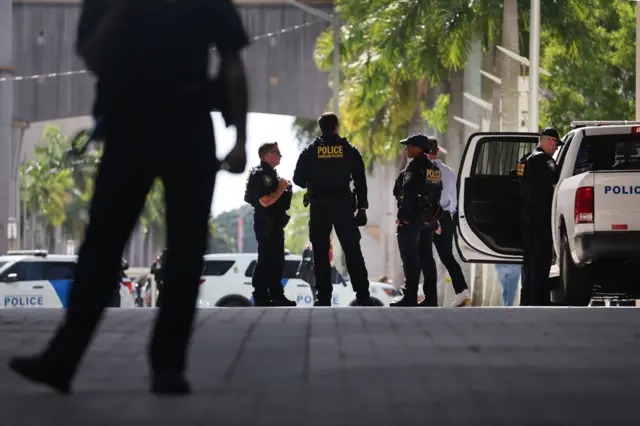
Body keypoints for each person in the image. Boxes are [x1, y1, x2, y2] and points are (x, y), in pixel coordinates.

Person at [8, 0, 250, 395]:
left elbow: (232, 62)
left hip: (185, 122)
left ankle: (167, 367)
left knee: (186, 252)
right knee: (102, 246)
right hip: (130, 124)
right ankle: (63, 360)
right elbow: (93, 56)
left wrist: (241, 138)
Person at [293, 112, 374, 307]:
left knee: (320, 252)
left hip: (319, 206)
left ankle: (323, 297)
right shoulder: (349, 150)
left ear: (321, 128)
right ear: (336, 127)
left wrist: (314, 180)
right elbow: (360, 181)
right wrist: (362, 208)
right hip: (343, 206)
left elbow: (298, 180)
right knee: (352, 250)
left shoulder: (310, 151)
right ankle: (363, 295)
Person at [390, 134, 443, 307]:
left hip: (412, 220)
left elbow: (409, 196)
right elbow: (437, 194)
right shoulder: (433, 168)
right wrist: (433, 218)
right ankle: (431, 298)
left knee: (410, 258)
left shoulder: (413, 168)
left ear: (417, 148)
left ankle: (410, 296)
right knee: (427, 258)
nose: (406, 149)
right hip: (428, 219)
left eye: (409, 146)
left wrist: (401, 218)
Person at [244, 142, 296, 307]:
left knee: (277, 261)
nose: (280, 156)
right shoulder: (260, 174)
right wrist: (281, 188)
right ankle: (260, 295)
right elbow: (265, 201)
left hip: (276, 223)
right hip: (266, 223)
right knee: (266, 259)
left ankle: (276, 294)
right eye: (277, 152)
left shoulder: (272, 175)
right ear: (267, 154)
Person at [422, 137, 471, 307]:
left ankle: (427, 296)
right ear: (437, 151)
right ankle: (462, 291)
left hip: (428, 217)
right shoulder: (449, 172)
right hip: (446, 216)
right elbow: (454, 201)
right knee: (447, 257)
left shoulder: (422, 170)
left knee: (422, 255)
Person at [517, 127, 562, 306]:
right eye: (556, 144)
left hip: (526, 215)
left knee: (529, 258)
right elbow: (556, 184)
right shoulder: (544, 160)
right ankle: (539, 299)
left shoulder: (525, 159)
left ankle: (526, 298)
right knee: (541, 258)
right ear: (550, 140)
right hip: (541, 215)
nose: (556, 149)